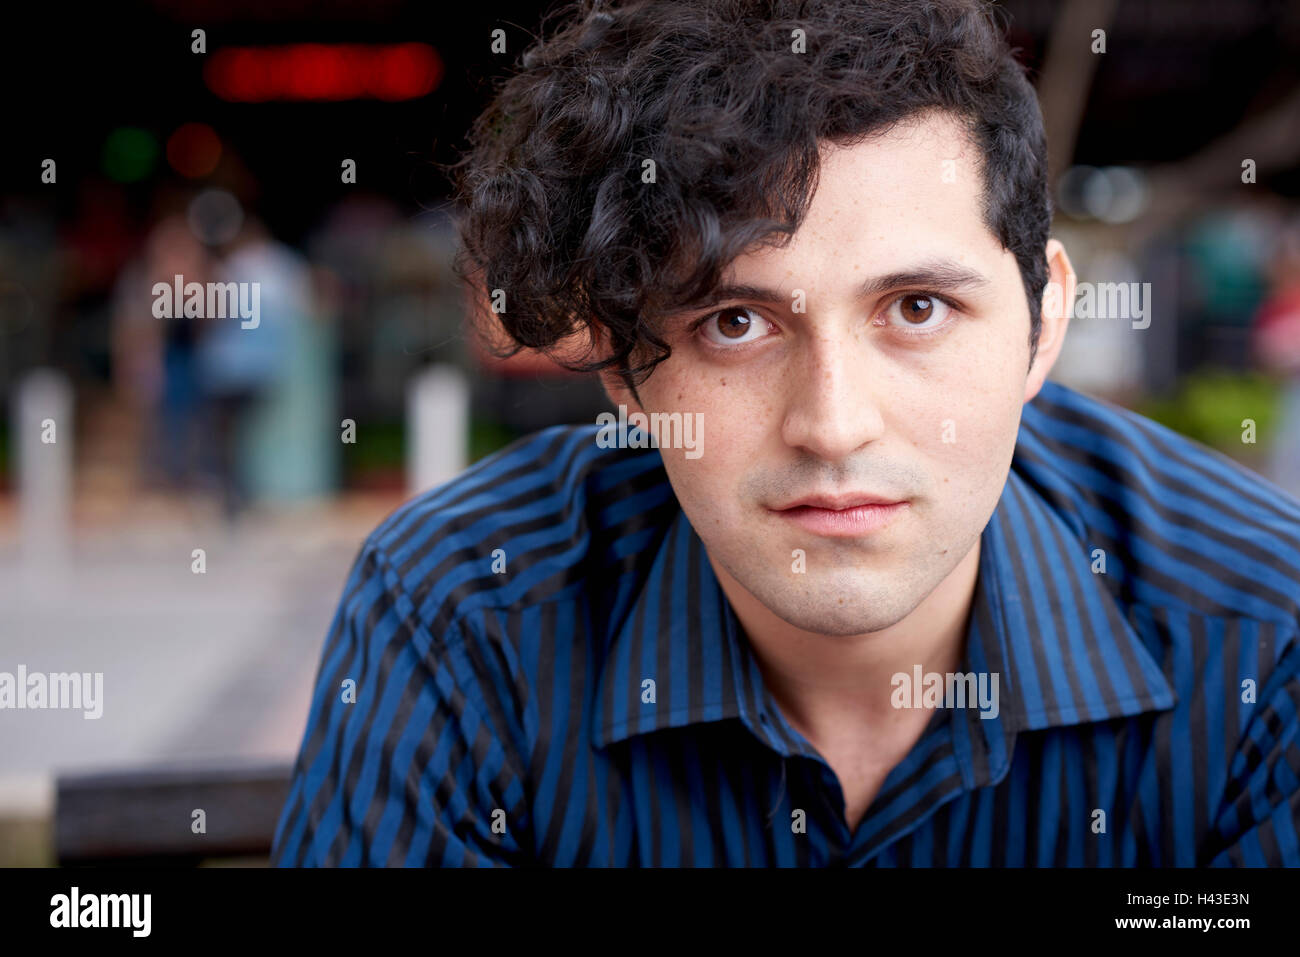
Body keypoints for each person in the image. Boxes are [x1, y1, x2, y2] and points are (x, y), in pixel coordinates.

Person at [273, 0, 1300, 867]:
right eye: (735, 324)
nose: (834, 424)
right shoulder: (466, 609)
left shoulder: (1264, 629)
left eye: (916, 309)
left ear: (1041, 326)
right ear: (629, 370)